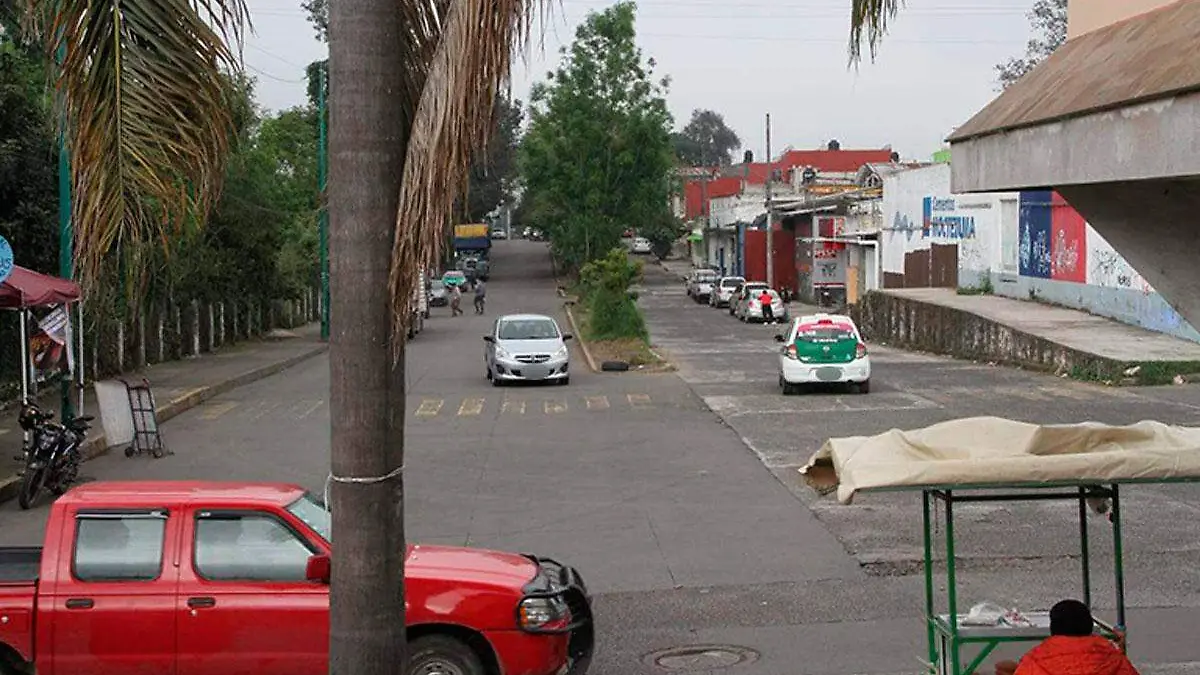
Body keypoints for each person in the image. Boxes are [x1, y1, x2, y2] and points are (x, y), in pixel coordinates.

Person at [1004, 600, 1138, 675]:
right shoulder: (1114, 659)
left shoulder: (1034, 661)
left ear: (1053, 628)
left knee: (1003, 667)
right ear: (1090, 626)